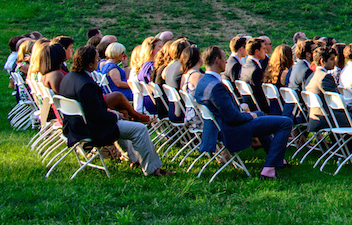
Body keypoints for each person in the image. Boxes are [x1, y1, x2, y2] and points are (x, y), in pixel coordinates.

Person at [58, 46, 169, 177]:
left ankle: (133, 159)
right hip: (92, 130)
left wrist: (113, 114)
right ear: (89, 64)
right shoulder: (86, 85)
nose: (98, 60)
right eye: (96, 59)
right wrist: (115, 115)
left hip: (75, 127)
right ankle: (152, 169)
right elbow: (96, 116)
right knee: (139, 130)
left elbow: (91, 109)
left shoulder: (69, 78)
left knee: (123, 120)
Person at [195, 46, 292, 179]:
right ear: (217, 60)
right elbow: (232, 117)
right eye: (224, 58)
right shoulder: (216, 86)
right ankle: (268, 170)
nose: (227, 61)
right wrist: (248, 115)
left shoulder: (203, 82)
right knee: (285, 122)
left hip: (216, 127)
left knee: (260, 114)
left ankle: (277, 160)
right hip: (231, 129)